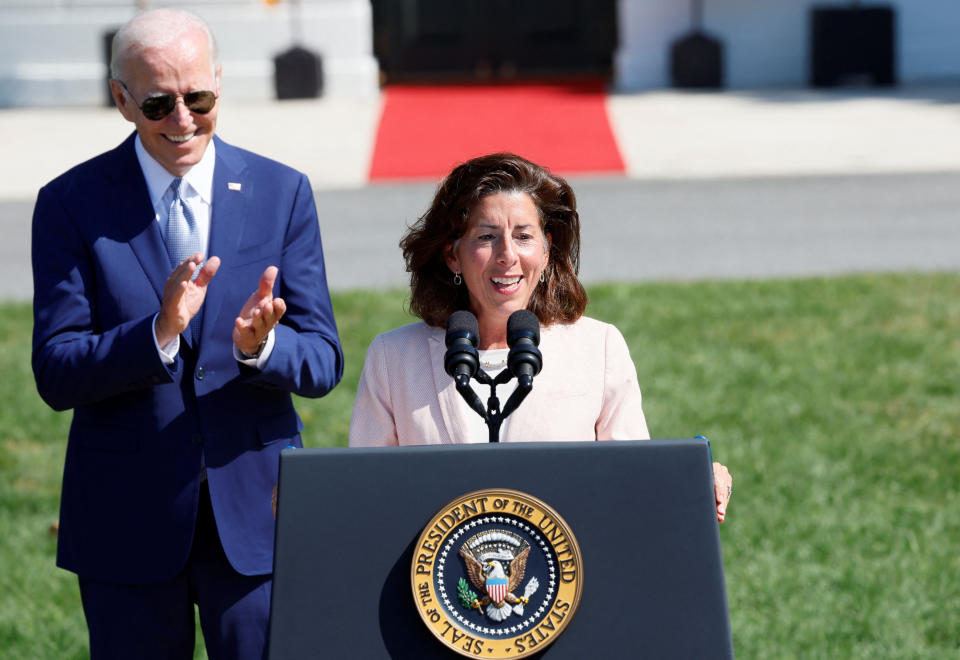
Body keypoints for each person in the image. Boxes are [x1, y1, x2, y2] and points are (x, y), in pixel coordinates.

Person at [31, 9, 343, 659]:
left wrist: (264, 347)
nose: (182, 119)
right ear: (121, 100)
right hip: (126, 518)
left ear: (220, 85)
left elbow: (323, 360)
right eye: (157, 102)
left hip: (258, 513)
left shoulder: (280, 192)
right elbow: (56, 372)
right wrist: (159, 332)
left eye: (198, 97)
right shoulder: (70, 203)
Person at [349, 153, 732, 521]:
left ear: (546, 249)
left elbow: (631, 483)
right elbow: (364, 495)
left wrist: (693, 481)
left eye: (523, 236)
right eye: (486, 237)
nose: (507, 255)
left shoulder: (598, 348)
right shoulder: (392, 357)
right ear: (452, 255)